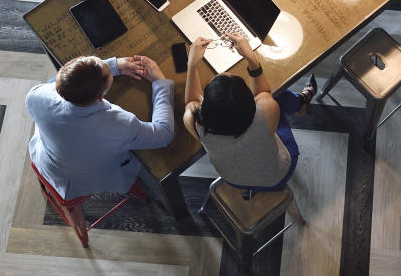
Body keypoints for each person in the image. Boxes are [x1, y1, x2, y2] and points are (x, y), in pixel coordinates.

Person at [26, 54, 175, 200]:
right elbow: (164, 134)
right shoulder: (120, 124)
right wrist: (160, 82)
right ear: (100, 97)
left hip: (46, 161)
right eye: (108, 72)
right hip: (82, 182)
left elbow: (55, 83)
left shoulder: (35, 96)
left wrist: (114, 66)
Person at [182, 35, 316, 191]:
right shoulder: (265, 112)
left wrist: (191, 65)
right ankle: (301, 102)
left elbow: (191, 103)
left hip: (234, 181)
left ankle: (300, 103)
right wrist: (251, 58)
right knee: (280, 96)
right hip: (279, 175)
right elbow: (264, 93)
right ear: (251, 104)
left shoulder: (196, 124)